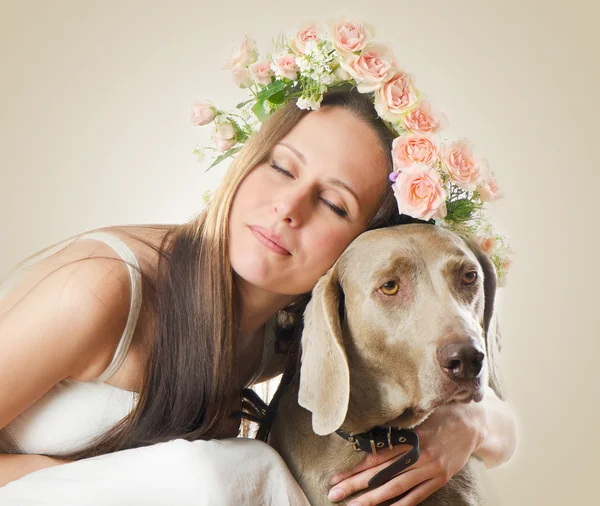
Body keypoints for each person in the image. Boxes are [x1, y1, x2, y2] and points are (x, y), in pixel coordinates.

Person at [0, 88, 516, 504]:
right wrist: (99, 480)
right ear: (247, 160)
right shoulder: (104, 288)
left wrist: (466, 422)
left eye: (334, 204)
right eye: (282, 167)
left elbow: (506, 428)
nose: (288, 207)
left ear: (362, 246)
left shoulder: (297, 330)